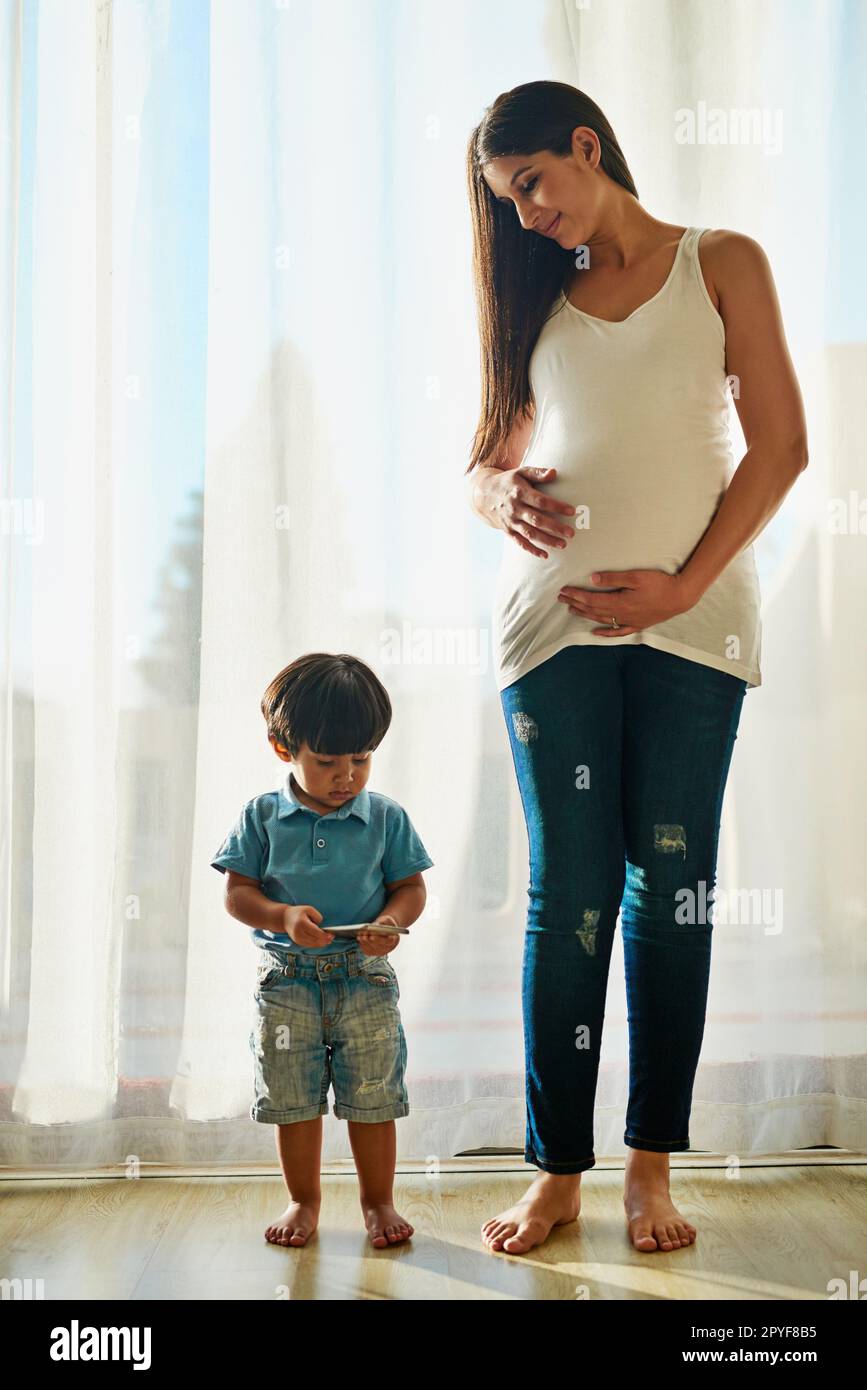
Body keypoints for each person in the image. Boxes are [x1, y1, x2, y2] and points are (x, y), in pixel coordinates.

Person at [465, 81, 808, 1256]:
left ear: (585, 145)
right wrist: (492, 490)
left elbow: (783, 447)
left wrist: (683, 582)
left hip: (694, 627)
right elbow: (484, 460)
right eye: (505, 203)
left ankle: (650, 1169)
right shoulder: (537, 303)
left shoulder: (724, 260)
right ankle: (558, 1173)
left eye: (531, 187)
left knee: (673, 894)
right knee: (571, 900)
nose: (524, 218)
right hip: (549, 635)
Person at [210, 652, 433, 1249]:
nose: (348, 776)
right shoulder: (261, 817)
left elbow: (410, 889)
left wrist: (390, 920)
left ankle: (378, 1202)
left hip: (365, 977)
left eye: (361, 759)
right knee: (293, 1097)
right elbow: (238, 895)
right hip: (286, 983)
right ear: (285, 750)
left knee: (372, 1096)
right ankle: (304, 1201)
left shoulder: (385, 818)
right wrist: (281, 916)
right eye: (327, 761)